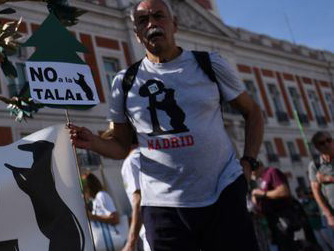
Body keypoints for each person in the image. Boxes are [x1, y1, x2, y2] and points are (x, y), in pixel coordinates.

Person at [67, 0, 264, 249]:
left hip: (223, 194)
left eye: (159, 16)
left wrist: (249, 161)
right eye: (142, 20)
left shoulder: (210, 64)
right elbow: (120, 145)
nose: (152, 24)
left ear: (175, 24)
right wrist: (93, 142)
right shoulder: (124, 81)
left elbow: (254, 112)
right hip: (163, 207)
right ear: (137, 34)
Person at [119, 140, 150, 251]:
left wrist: (130, 243)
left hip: (152, 230)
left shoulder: (131, 161)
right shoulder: (151, 153)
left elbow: (138, 201)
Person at [309, 131, 334, 247]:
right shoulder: (315, 165)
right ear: (317, 147)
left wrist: (328, 178)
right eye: (322, 143)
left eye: (329, 140)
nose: (327, 144)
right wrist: (328, 214)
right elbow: (316, 192)